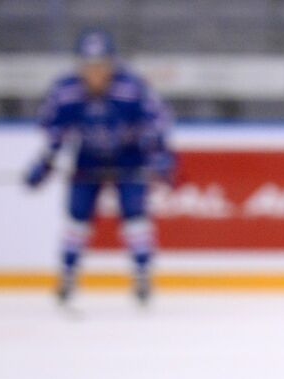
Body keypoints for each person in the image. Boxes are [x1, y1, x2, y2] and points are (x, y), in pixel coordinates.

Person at [24, 29, 175, 307]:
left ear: (111, 65)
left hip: (129, 155)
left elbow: (157, 123)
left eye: (101, 66)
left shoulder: (131, 87)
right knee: (77, 216)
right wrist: (44, 163)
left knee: (135, 214)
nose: (95, 74)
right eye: (89, 66)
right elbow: (55, 132)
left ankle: (142, 274)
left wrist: (159, 157)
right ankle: (68, 275)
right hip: (89, 157)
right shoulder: (66, 91)